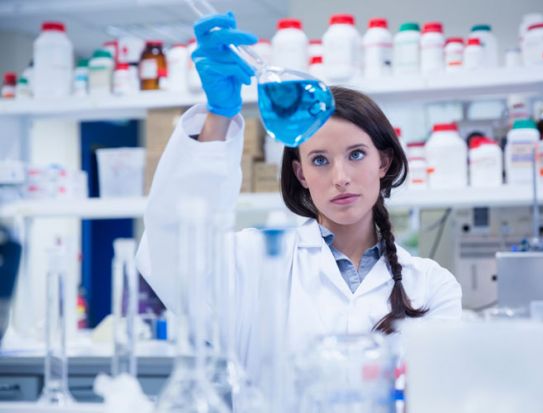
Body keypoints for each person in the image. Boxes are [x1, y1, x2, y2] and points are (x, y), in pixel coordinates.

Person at [136, 12, 461, 381]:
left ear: (383, 161)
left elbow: (440, 393)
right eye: (320, 160)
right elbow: (173, 254)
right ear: (300, 173)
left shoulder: (432, 286)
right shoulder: (254, 263)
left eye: (356, 154)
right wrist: (218, 116)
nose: (340, 178)